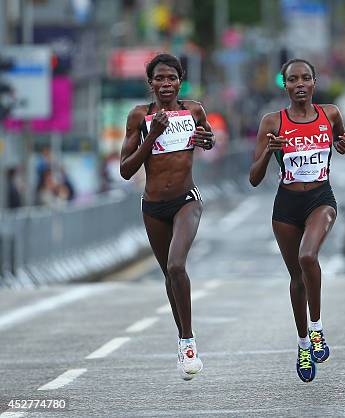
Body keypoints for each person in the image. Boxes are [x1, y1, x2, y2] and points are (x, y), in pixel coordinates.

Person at [249, 58, 345, 382]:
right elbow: (253, 178)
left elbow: (342, 142)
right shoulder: (272, 121)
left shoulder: (330, 114)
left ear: (314, 83)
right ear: (285, 85)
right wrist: (268, 151)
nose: (300, 84)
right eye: (293, 79)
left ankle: (317, 327)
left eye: (306, 78)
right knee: (296, 277)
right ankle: (303, 343)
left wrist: (342, 144)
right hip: (286, 205)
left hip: (321, 198)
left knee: (309, 256)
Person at [119, 53, 215, 381]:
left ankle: (189, 343)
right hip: (153, 207)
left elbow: (208, 138)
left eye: (171, 78)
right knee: (168, 276)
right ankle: (182, 340)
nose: (165, 84)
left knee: (177, 265)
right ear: (151, 84)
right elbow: (126, 169)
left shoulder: (194, 110)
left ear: (180, 81)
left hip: (186, 200)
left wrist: (208, 140)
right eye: (158, 79)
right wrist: (151, 137)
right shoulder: (139, 117)